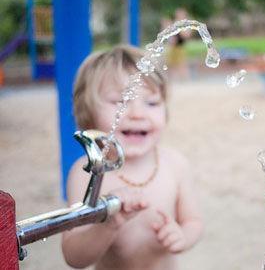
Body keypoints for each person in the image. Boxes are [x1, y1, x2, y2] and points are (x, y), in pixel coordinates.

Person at [61, 45, 203, 270]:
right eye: (121, 101)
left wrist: (182, 237)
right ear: (87, 112)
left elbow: (193, 221)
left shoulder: (175, 164)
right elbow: (74, 256)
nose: (137, 113)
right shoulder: (87, 173)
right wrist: (106, 226)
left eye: (152, 103)